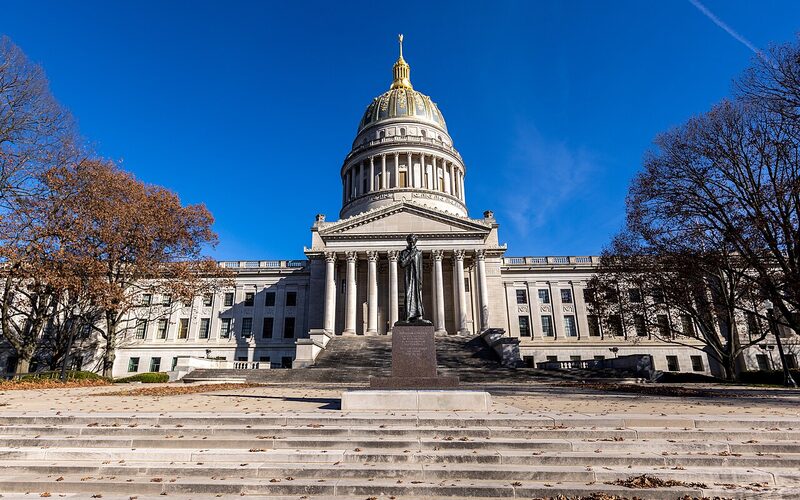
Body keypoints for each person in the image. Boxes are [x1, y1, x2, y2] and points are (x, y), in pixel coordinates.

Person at [398, 233, 425, 322]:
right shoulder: (403, 253)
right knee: (408, 295)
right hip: (408, 277)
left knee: (417, 297)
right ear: (408, 241)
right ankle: (407, 316)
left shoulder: (419, 253)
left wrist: (420, 281)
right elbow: (402, 264)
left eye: (413, 241)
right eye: (410, 241)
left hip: (416, 278)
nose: (412, 243)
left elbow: (420, 268)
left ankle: (417, 316)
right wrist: (411, 255)